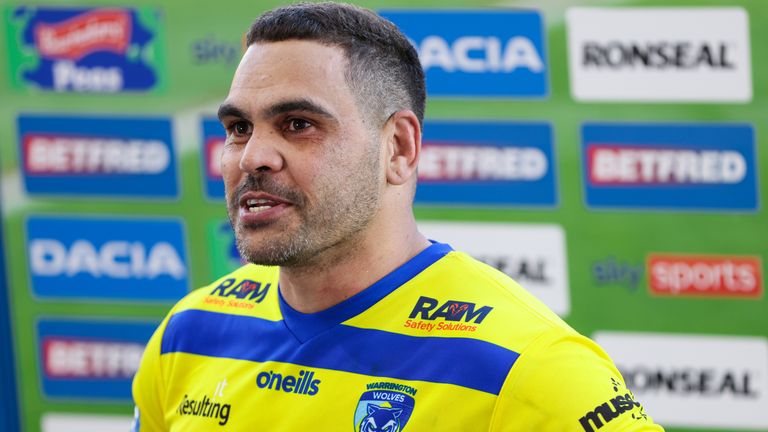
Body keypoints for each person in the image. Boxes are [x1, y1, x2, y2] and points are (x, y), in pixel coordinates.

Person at [132, 3, 664, 431]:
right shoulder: (189, 333)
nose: (252, 157)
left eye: (297, 124)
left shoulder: (528, 370)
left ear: (400, 147)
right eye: (239, 128)